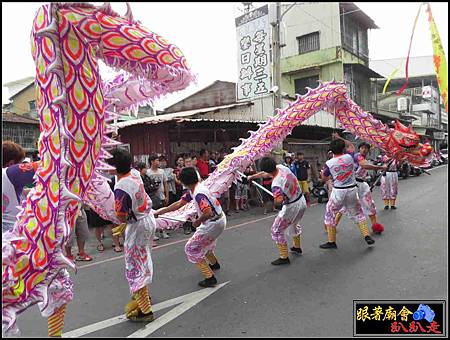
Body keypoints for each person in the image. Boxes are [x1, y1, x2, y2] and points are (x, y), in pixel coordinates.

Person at [154, 167, 226, 287]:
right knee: (205, 243)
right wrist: (160, 212)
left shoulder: (198, 193)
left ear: (183, 182)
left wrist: (197, 221)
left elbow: (207, 212)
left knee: (191, 248)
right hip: (219, 220)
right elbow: (179, 204)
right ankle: (214, 264)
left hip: (212, 223)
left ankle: (210, 277)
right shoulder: (197, 189)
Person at [109, 148, 156, 323]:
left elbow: (120, 215)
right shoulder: (134, 173)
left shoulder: (121, 186)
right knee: (142, 262)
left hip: (137, 225)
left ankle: (145, 310)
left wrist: (120, 218)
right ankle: (145, 297)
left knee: (134, 267)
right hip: (145, 220)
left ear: (113, 167)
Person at [248, 157, 306, 265]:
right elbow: (265, 174)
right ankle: (297, 247)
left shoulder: (276, 184)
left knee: (276, 230)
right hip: (301, 201)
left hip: (291, 207)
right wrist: (252, 177)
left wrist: (277, 199)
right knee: (294, 224)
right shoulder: (281, 167)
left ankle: (284, 257)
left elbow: (278, 201)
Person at [319, 139, 375, 249]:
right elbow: (351, 145)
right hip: (352, 190)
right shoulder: (350, 157)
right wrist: (340, 138)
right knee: (358, 213)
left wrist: (325, 175)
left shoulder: (329, 163)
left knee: (330, 213)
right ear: (343, 148)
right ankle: (366, 235)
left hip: (338, 191)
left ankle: (332, 241)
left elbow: (324, 178)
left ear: (331, 150)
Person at [332, 134, 386, 234]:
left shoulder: (365, 158)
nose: (364, 150)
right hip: (353, 184)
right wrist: (380, 168)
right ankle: (333, 224)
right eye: (362, 148)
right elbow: (364, 165)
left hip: (363, 185)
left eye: (366, 148)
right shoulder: (358, 156)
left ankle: (375, 226)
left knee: (370, 204)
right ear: (359, 149)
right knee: (345, 206)